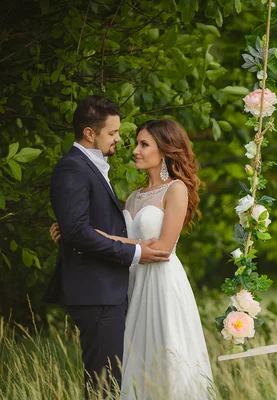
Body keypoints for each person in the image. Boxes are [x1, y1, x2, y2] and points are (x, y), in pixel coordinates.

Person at [51, 118, 214, 399]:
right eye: (137, 143)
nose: (135, 150)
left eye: (144, 144)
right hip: (131, 284)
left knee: (165, 357)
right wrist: (70, 231)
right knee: (133, 361)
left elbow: (162, 248)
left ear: (164, 150)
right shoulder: (134, 197)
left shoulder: (176, 189)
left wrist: (103, 236)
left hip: (162, 285)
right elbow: (109, 235)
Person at [44, 95, 172, 398]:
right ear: (90, 133)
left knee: (112, 380)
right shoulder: (73, 168)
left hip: (109, 289)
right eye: (113, 133)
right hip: (95, 291)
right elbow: (77, 231)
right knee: (103, 385)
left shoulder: (92, 166)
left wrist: (73, 230)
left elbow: (83, 227)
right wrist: (136, 252)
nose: (119, 139)